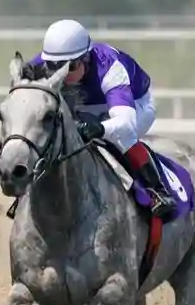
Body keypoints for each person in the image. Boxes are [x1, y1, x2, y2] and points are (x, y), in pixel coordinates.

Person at [31, 18, 176, 220]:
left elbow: (125, 123)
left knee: (120, 136)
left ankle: (157, 192)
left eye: (69, 66)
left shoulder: (109, 68)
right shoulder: (38, 66)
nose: (61, 74)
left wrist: (99, 128)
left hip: (133, 104)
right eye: (53, 66)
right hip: (82, 106)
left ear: (85, 58)